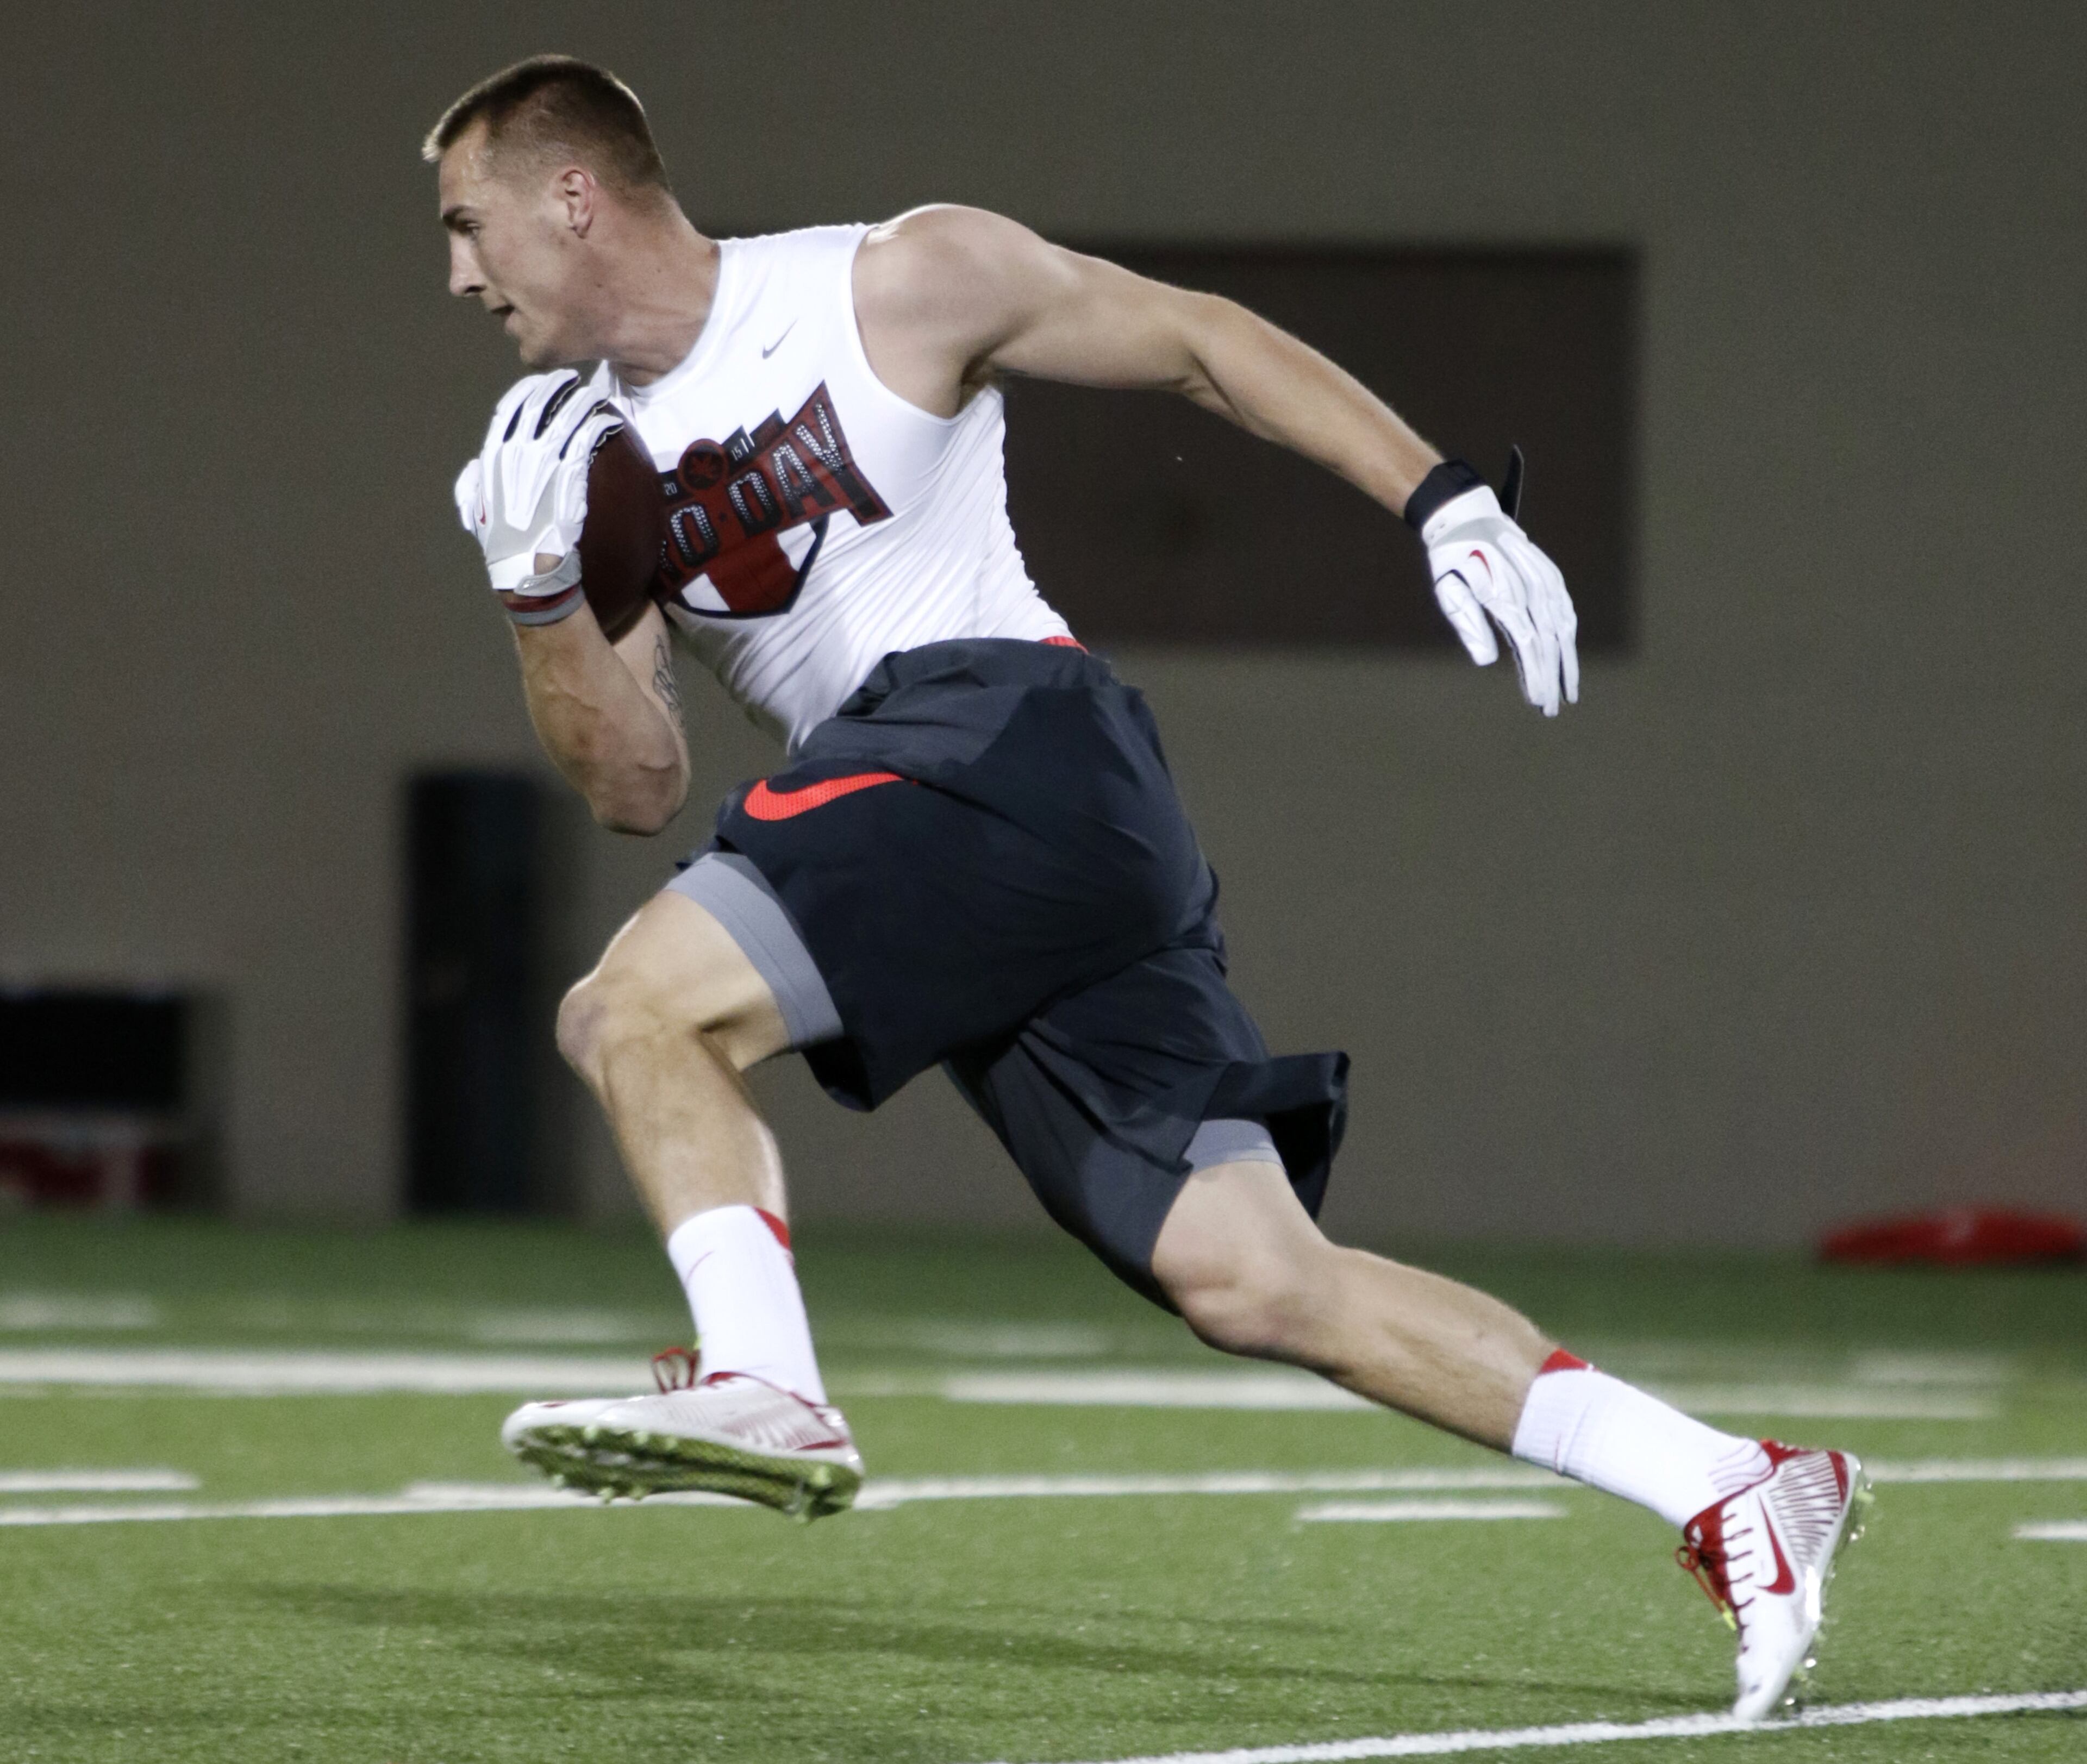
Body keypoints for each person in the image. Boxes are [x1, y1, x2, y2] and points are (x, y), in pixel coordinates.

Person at [429, 55, 1864, 1721]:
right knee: (1253, 1278)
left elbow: (1193, 342)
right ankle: (1730, 1484)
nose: (458, 275)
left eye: (468, 225)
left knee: (627, 1010)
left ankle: (765, 1382)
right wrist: (539, 595)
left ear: (573, 194)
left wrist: (1437, 493)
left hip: (1001, 734)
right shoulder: (578, 457)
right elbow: (639, 786)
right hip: (988, 844)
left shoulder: (885, 277)